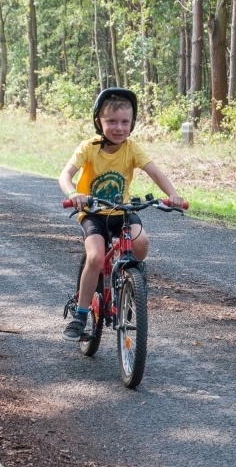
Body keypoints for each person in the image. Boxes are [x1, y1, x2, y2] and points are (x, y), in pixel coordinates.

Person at [59, 87, 184, 342]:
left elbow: (155, 173)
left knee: (141, 242)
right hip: (93, 212)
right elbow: (65, 175)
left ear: (132, 124)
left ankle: (131, 281)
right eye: (111, 121)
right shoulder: (89, 148)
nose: (118, 128)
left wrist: (173, 194)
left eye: (125, 122)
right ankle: (81, 315)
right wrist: (74, 194)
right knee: (95, 257)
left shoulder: (132, 149)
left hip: (121, 212)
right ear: (99, 122)